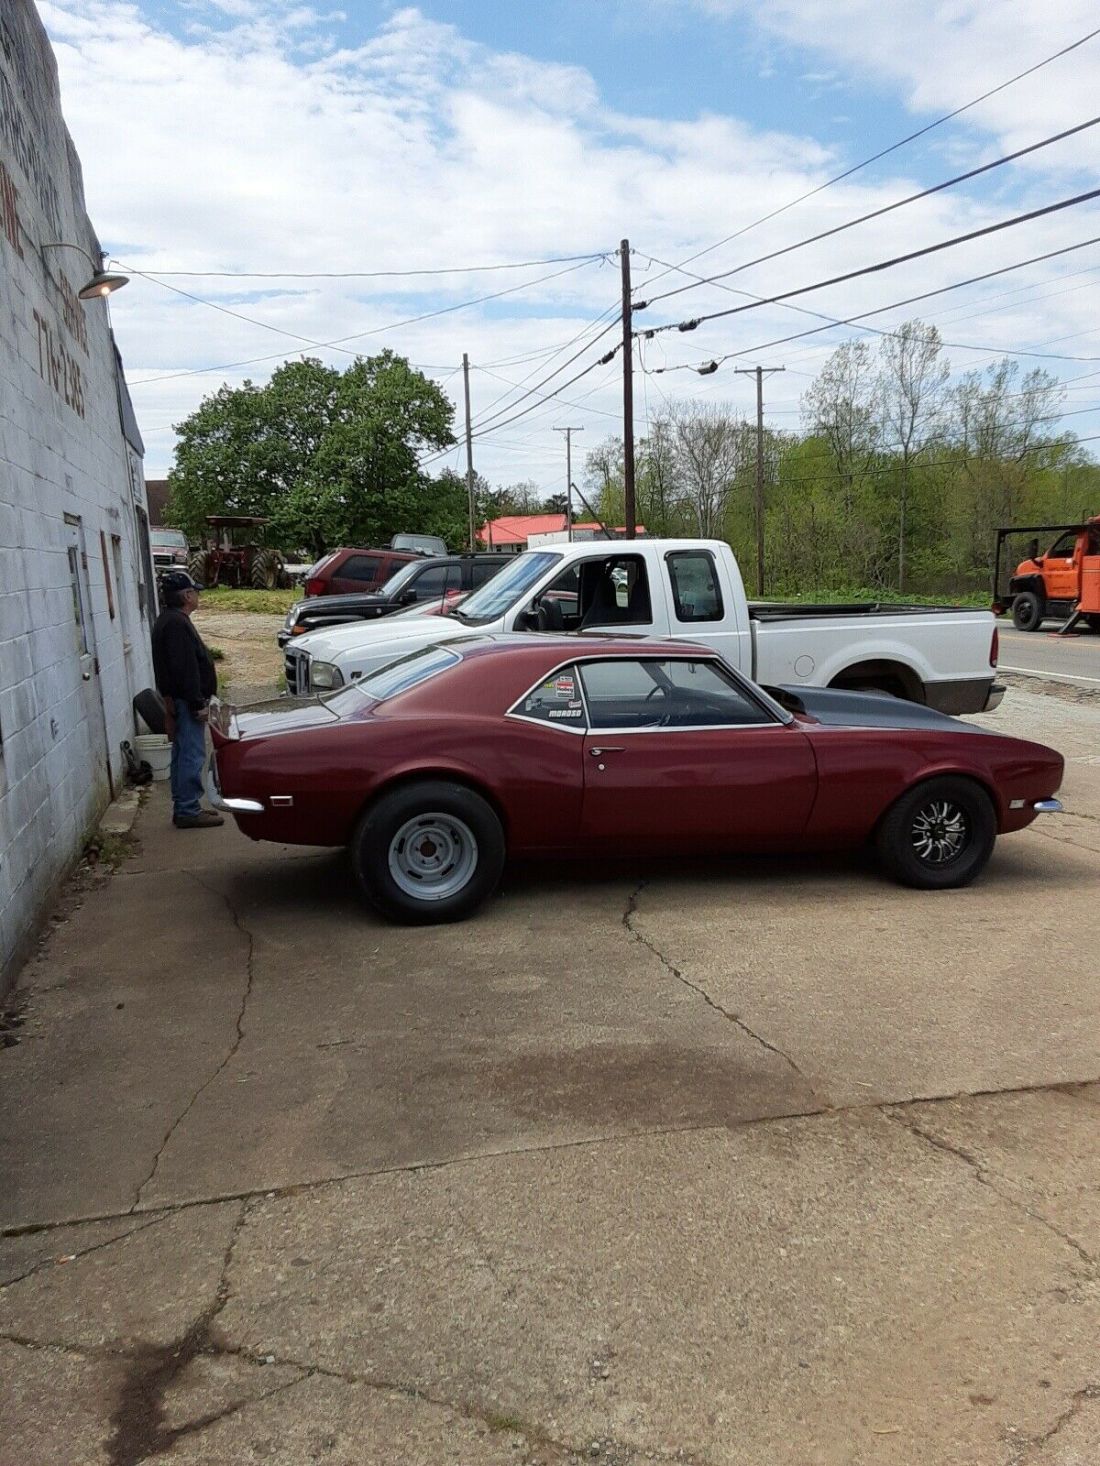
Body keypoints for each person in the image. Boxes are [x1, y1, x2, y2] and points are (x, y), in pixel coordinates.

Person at [151, 571, 224, 829]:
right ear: (187, 596)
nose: (198, 595)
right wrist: (197, 703)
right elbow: (185, 669)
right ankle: (187, 809)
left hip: (179, 699)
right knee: (191, 755)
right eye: (195, 591)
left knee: (183, 753)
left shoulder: (169, 620)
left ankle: (186, 805)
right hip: (187, 701)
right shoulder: (176, 625)